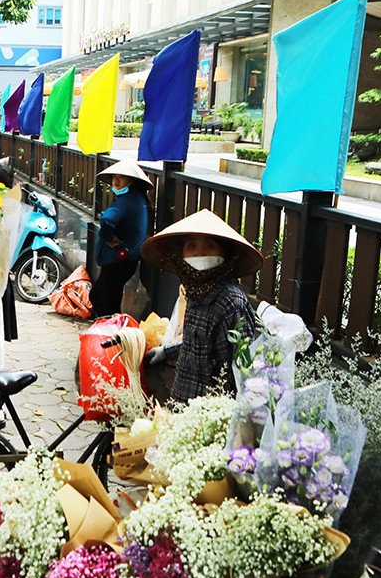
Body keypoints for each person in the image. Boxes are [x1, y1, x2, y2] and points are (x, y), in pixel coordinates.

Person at [140, 209, 262, 403]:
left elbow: (241, 373)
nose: (200, 252)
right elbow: (197, 343)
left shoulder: (232, 304)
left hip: (207, 415)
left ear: (225, 253)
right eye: (191, 246)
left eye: (210, 245)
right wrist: (166, 352)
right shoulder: (195, 293)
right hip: (180, 402)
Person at [91, 160, 153, 318]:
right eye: (114, 177)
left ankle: (108, 334)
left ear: (132, 181)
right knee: (99, 296)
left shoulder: (126, 201)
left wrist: (108, 238)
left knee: (107, 303)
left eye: (121, 178)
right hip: (125, 260)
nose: (116, 181)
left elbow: (107, 219)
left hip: (117, 261)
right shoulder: (139, 199)